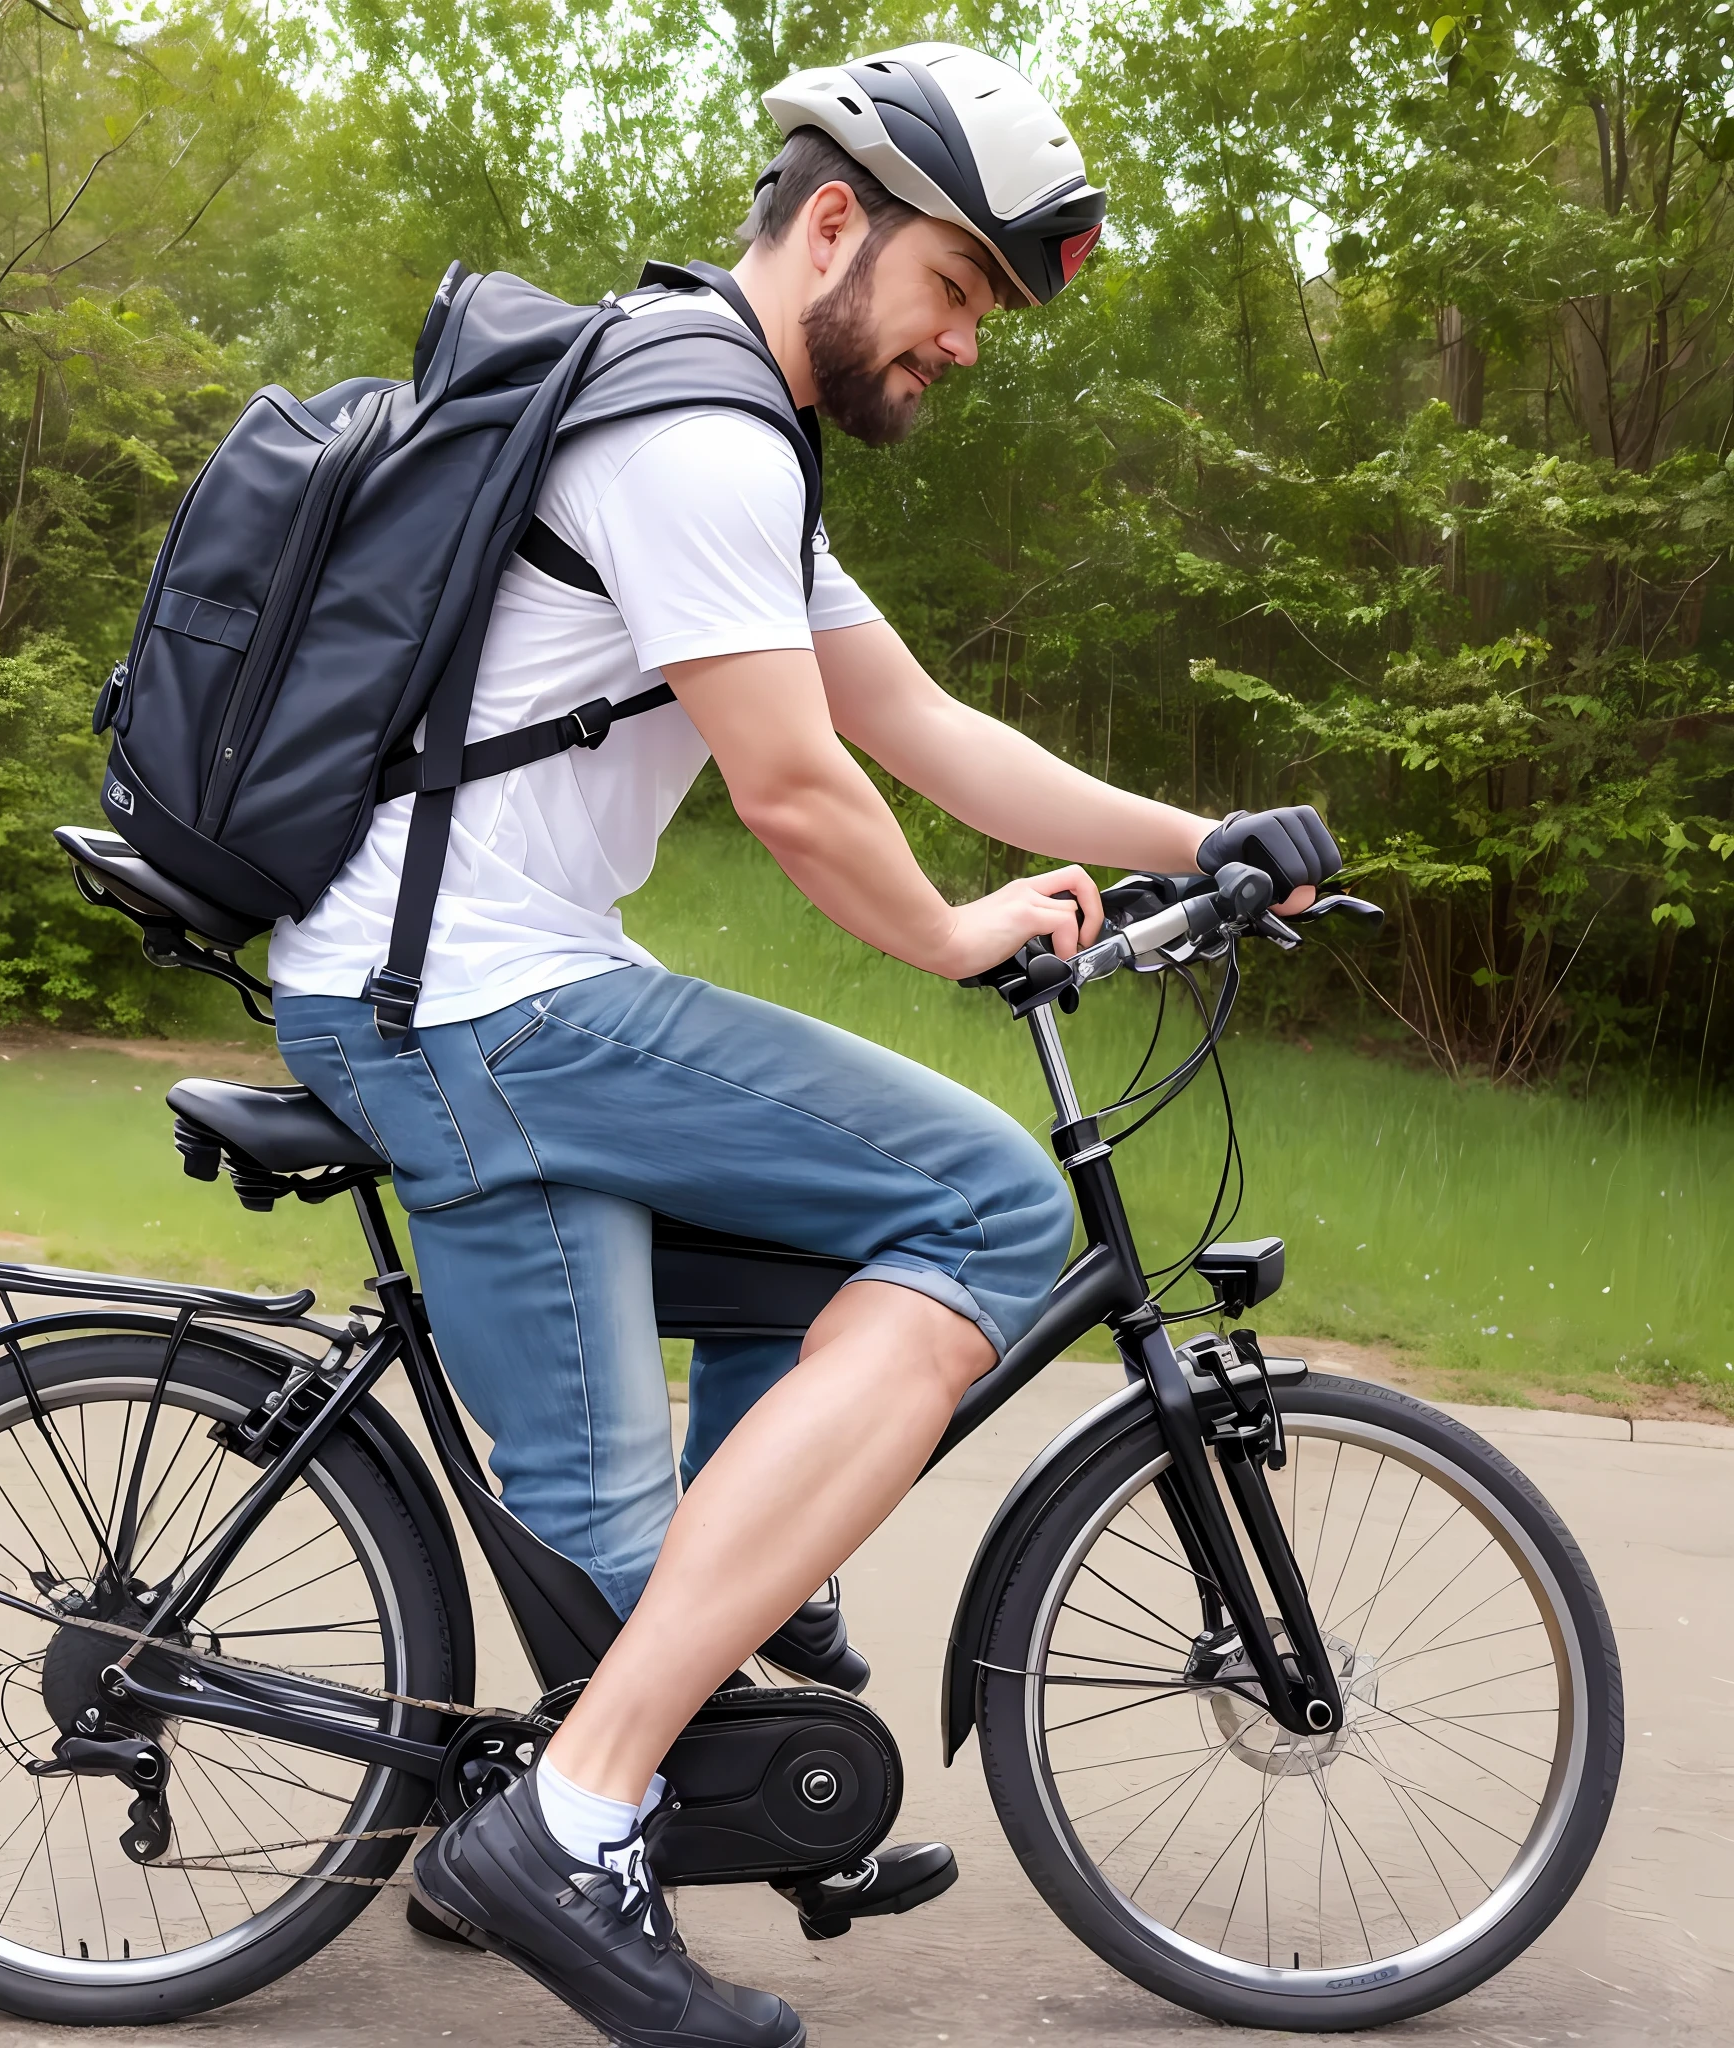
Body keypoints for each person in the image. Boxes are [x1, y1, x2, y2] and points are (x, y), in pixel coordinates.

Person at [270, 41, 1342, 2048]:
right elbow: (797, 787)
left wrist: (1198, 838)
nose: (959, 347)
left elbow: (923, 729)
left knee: (649, 1510)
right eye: (954, 295)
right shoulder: (699, 437)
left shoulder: (721, 419)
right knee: (976, 1194)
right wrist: (949, 934)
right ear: (835, 222)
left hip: (475, 988)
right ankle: (574, 1814)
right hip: (475, 1002)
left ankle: (595, 1743)